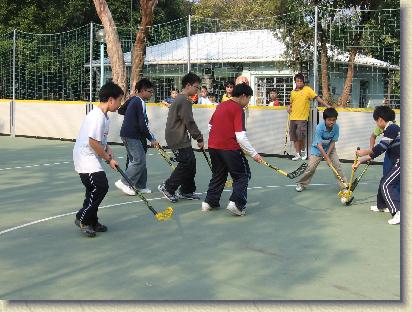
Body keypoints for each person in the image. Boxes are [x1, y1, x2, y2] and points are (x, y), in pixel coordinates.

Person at [202, 83, 263, 216]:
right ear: (243, 96)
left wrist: (218, 138)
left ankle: (209, 202)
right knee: (243, 175)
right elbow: (240, 136)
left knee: (218, 175)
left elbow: (210, 125)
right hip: (229, 148)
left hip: (213, 146)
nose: (247, 103)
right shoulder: (238, 109)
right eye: (248, 99)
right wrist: (254, 154)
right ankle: (236, 204)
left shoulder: (221, 105)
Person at [73, 82, 123, 237]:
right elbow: (93, 142)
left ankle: (92, 220)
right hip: (85, 158)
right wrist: (109, 159)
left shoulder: (104, 117)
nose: (120, 103)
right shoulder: (97, 117)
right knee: (100, 186)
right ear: (110, 100)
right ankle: (82, 218)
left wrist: (107, 148)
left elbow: (100, 141)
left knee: (93, 190)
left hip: (91, 157)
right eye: (119, 100)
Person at [158, 72, 204, 202]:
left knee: (191, 163)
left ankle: (186, 190)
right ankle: (168, 187)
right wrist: (199, 138)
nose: (197, 90)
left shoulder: (181, 99)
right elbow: (189, 121)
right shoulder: (184, 100)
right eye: (196, 87)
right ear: (188, 85)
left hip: (178, 136)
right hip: (177, 137)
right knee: (186, 163)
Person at [354, 106, 400, 225]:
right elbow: (379, 151)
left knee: (386, 184)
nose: (376, 124)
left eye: (376, 121)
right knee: (384, 181)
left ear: (380, 120)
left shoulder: (392, 128)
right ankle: (382, 206)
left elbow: (380, 148)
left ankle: (398, 212)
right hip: (397, 160)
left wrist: (363, 152)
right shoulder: (390, 128)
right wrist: (360, 161)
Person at [115, 78, 158, 196]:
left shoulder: (134, 99)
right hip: (132, 135)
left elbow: (121, 110)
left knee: (140, 160)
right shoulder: (139, 102)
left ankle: (140, 186)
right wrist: (151, 139)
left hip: (130, 134)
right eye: (150, 92)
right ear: (143, 91)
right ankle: (124, 182)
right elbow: (143, 124)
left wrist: (131, 115)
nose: (151, 94)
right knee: (139, 160)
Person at [295, 108, 348, 194]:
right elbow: (319, 144)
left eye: (334, 120)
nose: (332, 122)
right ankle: (301, 184)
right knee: (310, 168)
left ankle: (344, 186)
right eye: (329, 120)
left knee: (337, 166)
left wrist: (328, 155)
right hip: (317, 149)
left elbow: (333, 142)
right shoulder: (319, 127)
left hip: (330, 149)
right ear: (325, 119)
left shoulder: (336, 127)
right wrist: (326, 158)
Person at [288, 73, 331, 161]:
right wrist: (289, 107)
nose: (299, 83)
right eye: (297, 81)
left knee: (301, 137)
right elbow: (291, 103)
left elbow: (317, 98)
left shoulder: (307, 90)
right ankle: (297, 154)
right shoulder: (292, 92)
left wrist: (327, 105)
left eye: (301, 81)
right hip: (292, 118)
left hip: (302, 118)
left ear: (303, 82)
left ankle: (303, 152)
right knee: (294, 137)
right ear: (295, 82)